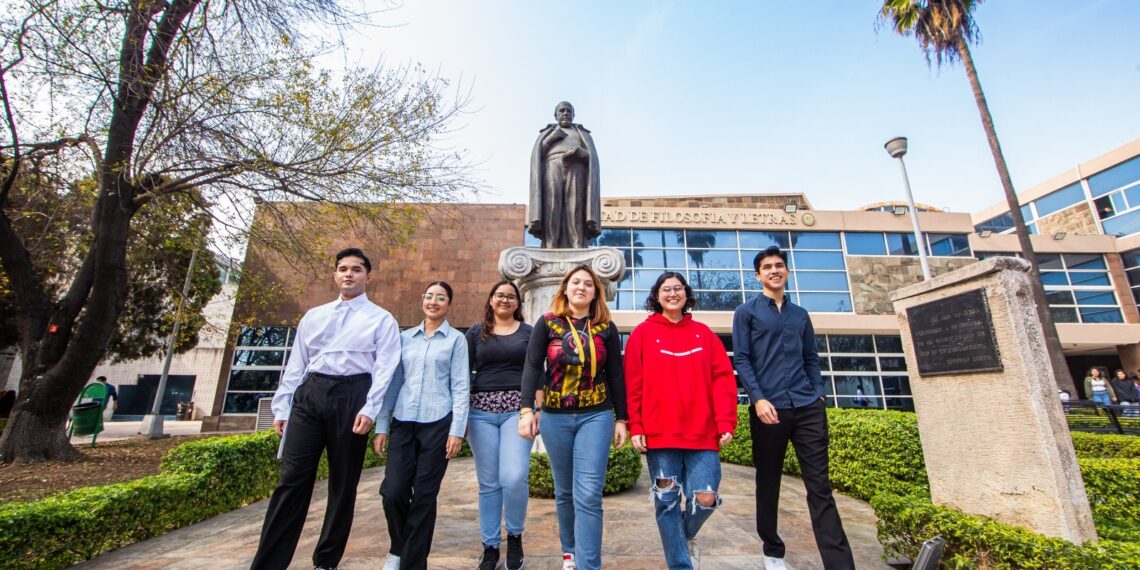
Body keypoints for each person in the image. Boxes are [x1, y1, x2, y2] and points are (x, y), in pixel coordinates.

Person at [251, 248, 401, 570]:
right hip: (310, 394)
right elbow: (296, 364)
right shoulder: (314, 316)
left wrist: (370, 409)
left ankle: (326, 561)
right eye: (343, 269)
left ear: (367, 276)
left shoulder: (381, 319)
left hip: (353, 396)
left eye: (356, 269)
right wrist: (282, 407)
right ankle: (268, 563)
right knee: (291, 480)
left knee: (342, 483)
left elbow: (385, 369)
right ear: (335, 275)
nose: (349, 274)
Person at [732, 246, 855, 570]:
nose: (774, 270)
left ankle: (840, 565)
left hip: (807, 406)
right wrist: (758, 398)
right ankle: (772, 550)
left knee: (820, 487)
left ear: (786, 272)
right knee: (768, 481)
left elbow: (811, 358)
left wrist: (819, 394)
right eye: (767, 267)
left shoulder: (800, 315)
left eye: (779, 265)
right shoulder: (746, 313)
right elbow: (742, 359)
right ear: (757, 275)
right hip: (769, 409)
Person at [624, 272, 738, 570]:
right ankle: (680, 564)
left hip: (703, 433)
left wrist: (726, 421)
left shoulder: (704, 334)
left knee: (705, 498)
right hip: (660, 434)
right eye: (666, 289)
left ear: (686, 294)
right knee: (667, 501)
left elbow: (723, 380)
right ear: (656, 296)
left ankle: (682, 539)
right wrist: (636, 425)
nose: (672, 293)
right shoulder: (642, 334)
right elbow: (632, 384)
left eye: (678, 288)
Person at [519, 264, 628, 570]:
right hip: (555, 417)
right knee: (565, 491)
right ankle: (570, 553)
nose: (581, 287)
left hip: (597, 416)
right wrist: (527, 410)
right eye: (575, 282)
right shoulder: (548, 323)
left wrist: (622, 419)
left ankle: (589, 565)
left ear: (597, 292)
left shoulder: (606, 328)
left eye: (588, 284)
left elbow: (616, 375)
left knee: (589, 494)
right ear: (565, 288)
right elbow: (531, 366)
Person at [375, 281, 470, 570]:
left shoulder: (456, 340)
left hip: (438, 423)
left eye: (441, 298)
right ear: (422, 300)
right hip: (403, 421)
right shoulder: (404, 339)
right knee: (392, 492)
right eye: (429, 296)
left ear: (448, 304)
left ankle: (412, 563)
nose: (434, 301)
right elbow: (393, 383)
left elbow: (461, 386)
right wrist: (382, 424)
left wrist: (457, 430)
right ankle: (398, 547)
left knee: (425, 497)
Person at [466, 280, 534, 570]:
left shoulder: (529, 333)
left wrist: (534, 410)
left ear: (518, 303)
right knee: (489, 483)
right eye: (500, 295)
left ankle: (515, 536)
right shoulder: (474, 333)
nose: (505, 300)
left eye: (511, 296)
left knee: (515, 477)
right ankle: (491, 546)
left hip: (517, 412)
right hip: (480, 412)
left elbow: (536, 372)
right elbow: (463, 374)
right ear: (491, 300)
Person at [527, 101, 601, 249]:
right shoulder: (547, 133)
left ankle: (577, 244)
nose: (565, 113)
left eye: (569, 111)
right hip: (552, 166)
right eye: (562, 111)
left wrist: (581, 153)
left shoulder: (582, 134)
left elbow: (592, 158)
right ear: (556, 115)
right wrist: (550, 139)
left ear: (573, 115)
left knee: (575, 207)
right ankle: (551, 244)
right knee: (552, 205)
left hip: (576, 167)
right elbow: (537, 155)